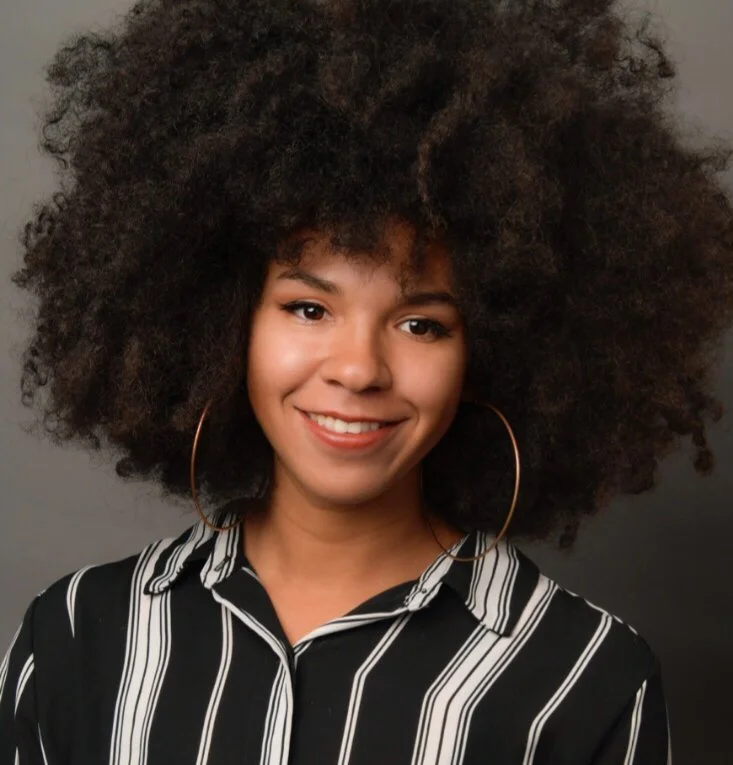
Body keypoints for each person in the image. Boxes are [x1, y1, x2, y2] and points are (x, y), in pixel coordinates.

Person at [2, 0, 733, 762]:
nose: (357, 369)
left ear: (498, 348)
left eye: (421, 323)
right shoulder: (81, 634)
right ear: (222, 322)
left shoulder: (585, 679)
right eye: (309, 306)